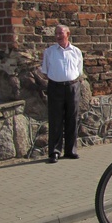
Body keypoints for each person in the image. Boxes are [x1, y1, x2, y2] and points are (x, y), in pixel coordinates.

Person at [41, 24, 84, 163]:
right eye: (56, 34)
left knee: (72, 118)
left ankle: (70, 150)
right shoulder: (50, 52)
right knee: (55, 119)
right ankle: (54, 151)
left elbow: (79, 70)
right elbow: (46, 71)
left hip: (72, 87)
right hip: (55, 87)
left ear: (68, 34)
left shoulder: (76, 51)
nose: (58, 36)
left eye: (61, 33)